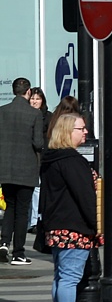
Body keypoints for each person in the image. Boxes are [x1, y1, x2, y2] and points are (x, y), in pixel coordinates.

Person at [40, 112, 98, 302]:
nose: (85, 132)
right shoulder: (73, 162)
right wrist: (97, 224)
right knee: (70, 277)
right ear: (67, 132)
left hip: (56, 226)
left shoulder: (50, 159)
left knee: (61, 276)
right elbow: (85, 196)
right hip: (74, 227)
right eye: (81, 129)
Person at [0, 77, 44, 265]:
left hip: (6, 169)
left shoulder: (3, 112)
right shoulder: (34, 114)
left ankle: (3, 243)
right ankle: (18, 252)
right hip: (26, 169)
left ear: (13, 91)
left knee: (10, 206)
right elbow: (38, 143)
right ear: (27, 92)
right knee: (22, 211)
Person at [25, 86, 51, 233]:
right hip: (30, 157)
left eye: (37, 99)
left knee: (38, 189)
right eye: (32, 98)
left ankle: (36, 219)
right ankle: (33, 220)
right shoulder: (27, 116)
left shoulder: (47, 116)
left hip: (44, 157)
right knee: (33, 189)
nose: (34, 101)